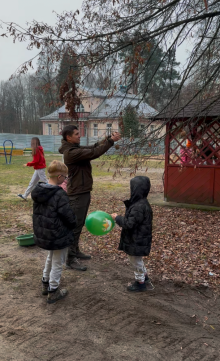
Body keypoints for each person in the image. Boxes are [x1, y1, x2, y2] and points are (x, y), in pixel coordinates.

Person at [59, 125, 121, 271]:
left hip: (82, 191)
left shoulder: (75, 148)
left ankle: (76, 251)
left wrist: (107, 139)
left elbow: (94, 146)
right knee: (75, 225)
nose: (79, 135)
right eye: (76, 134)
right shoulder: (71, 152)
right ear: (68, 137)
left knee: (78, 224)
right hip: (77, 193)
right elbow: (94, 152)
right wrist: (111, 141)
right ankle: (70, 259)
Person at [31, 160, 77, 304]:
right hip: (58, 235)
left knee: (50, 258)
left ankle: (45, 284)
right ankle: (54, 290)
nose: (66, 179)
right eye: (65, 177)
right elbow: (68, 216)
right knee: (58, 262)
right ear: (59, 177)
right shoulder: (59, 194)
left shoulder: (39, 191)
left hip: (46, 234)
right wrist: (74, 223)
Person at [111, 176, 154, 292]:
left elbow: (129, 224)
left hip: (136, 241)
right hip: (138, 239)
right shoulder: (142, 203)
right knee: (138, 260)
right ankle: (144, 277)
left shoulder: (138, 206)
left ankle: (140, 283)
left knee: (136, 261)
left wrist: (117, 218)